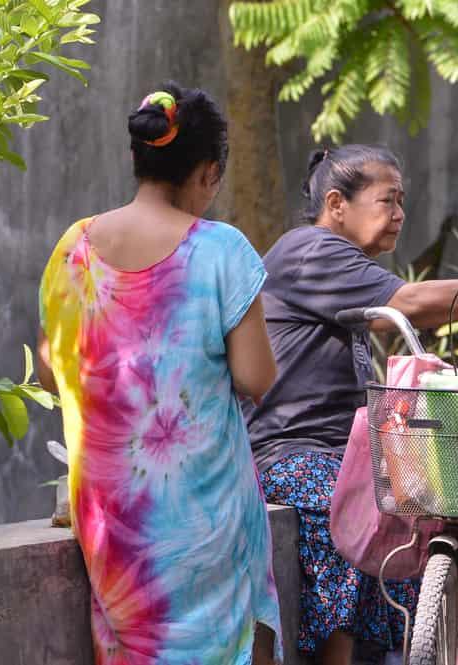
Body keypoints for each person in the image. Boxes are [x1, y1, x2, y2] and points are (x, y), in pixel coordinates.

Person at [244, 144, 458, 665]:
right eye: (388, 201)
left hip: (340, 453)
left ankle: (418, 643)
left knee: (437, 507)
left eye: (402, 201)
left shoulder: (345, 266)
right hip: (288, 454)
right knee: (344, 517)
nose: (401, 215)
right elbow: (404, 304)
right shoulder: (310, 249)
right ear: (337, 203)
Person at [37, 84, 283, 664]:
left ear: (136, 158)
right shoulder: (222, 249)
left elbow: (52, 374)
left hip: (110, 520)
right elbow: (255, 377)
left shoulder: (75, 247)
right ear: (207, 172)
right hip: (201, 516)